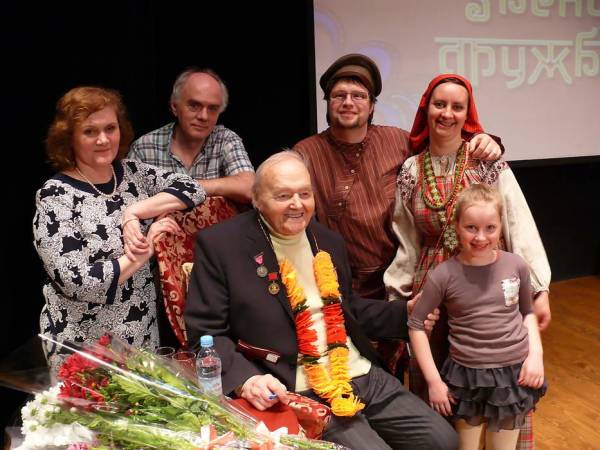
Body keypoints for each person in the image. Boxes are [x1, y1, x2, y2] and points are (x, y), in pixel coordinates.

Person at [184, 151, 457, 450]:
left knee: (443, 441)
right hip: (299, 386)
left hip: (359, 372)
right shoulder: (222, 245)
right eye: (283, 196)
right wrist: (246, 380)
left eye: (305, 194)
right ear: (257, 199)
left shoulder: (326, 240)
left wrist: (405, 313)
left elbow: (347, 310)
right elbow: (206, 332)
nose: (297, 204)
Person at [384, 74, 551, 449]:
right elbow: (406, 238)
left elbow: (517, 223)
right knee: (442, 384)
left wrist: (539, 288)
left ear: (467, 113)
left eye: (457, 106)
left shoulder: (486, 160)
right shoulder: (412, 170)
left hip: (489, 278)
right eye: (439, 104)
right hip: (433, 282)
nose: (447, 113)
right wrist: (399, 295)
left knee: (500, 370)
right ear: (426, 108)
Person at [293, 53, 502, 300]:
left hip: (397, 280)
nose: (348, 102)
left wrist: (485, 139)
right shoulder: (306, 153)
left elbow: (445, 143)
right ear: (327, 102)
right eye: (339, 96)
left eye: (359, 96)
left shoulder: (397, 141)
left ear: (372, 105)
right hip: (339, 285)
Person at [33, 86, 206, 374]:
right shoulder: (55, 196)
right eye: (90, 131)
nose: (103, 139)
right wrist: (143, 253)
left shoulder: (134, 173)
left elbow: (193, 188)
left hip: (141, 337)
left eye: (110, 128)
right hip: (84, 347)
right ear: (69, 138)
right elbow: (77, 282)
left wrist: (133, 212)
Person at [408, 184, 546, 450]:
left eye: (490, 228)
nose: (481, 237)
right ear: (457, 227)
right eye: (471, 227)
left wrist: (536, 356)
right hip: (467, 377)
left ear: (501, 226)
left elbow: (527, 312)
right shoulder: (443, 275)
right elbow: (415, 325)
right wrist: (434, 381)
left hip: (513, 376)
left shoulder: (516, 265)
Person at [129, 68, 254, 204]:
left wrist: (186, 187)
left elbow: (250, 189)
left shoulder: (226, 140)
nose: (203, 116)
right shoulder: (144, 147)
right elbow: (127, 203)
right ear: (175, 107)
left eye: (212, 108)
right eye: (194, 105)